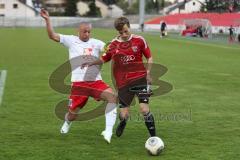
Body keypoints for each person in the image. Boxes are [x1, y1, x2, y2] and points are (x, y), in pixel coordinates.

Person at [40, 8, 117, 143]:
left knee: (112, 97)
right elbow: (52, 36)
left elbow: (108, 50)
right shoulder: (70, 40)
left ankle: (108, 130)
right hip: (79, 85)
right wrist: (48, 20)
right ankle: (67, 122)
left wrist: (112, 47)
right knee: (72, 115)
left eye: (89, 31)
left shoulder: (96, 43)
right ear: (78, 31)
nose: (87, 34)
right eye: (84, 31)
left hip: (95, 82)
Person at [82, 17, 156, 138]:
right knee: (124, 114)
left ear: (129, 26)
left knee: (144, 109)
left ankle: (154, 137)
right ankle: (123, 121)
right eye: (121, 32)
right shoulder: (113, 44)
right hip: (123, 83)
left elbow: (149, 57)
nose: (124, 34)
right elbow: (104, 58)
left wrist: (148, 73)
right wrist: (91, 62)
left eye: (126, 31)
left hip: (140, 79)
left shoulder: (139, 40)